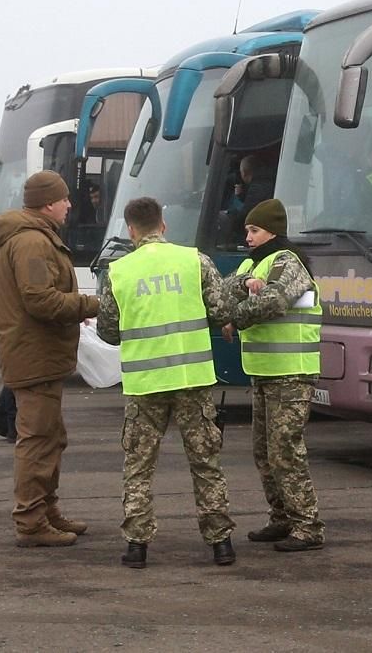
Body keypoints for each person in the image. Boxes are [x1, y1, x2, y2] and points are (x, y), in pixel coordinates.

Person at [97, 197, 237, 568]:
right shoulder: (195, 260)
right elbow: (221, 310)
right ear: (164, 224)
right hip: (192, 378)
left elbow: (108, 331)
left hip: (145, 383)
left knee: (139, 466)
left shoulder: (118, 271)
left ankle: (137, 547)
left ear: (131, 230)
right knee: (205, 461)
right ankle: (221, 542)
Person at [0, 170, 99, 548]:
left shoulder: (30, 237)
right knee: (37, 440)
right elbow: (40, 298)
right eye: (65, 199)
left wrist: (71, 308)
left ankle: (47, 510)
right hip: (33, 355)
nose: (70, 205)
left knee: (51, 437)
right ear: (48, 203)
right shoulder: (33, 242)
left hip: (38, 353)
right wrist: (90, 305)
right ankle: (31, 522)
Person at [222, 198, 326, 552]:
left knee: (285, 450)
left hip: (291, 373)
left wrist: (236, 318)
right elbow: (223, 292)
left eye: (254, 230)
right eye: (247, 231)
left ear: (273, 231)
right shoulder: (254, 264)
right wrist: (247, 282)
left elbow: (275, 301)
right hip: (265, 372)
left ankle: (307, 525)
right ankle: (282, 517)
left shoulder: (287, 261)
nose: (248, 237)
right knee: (264, 452)